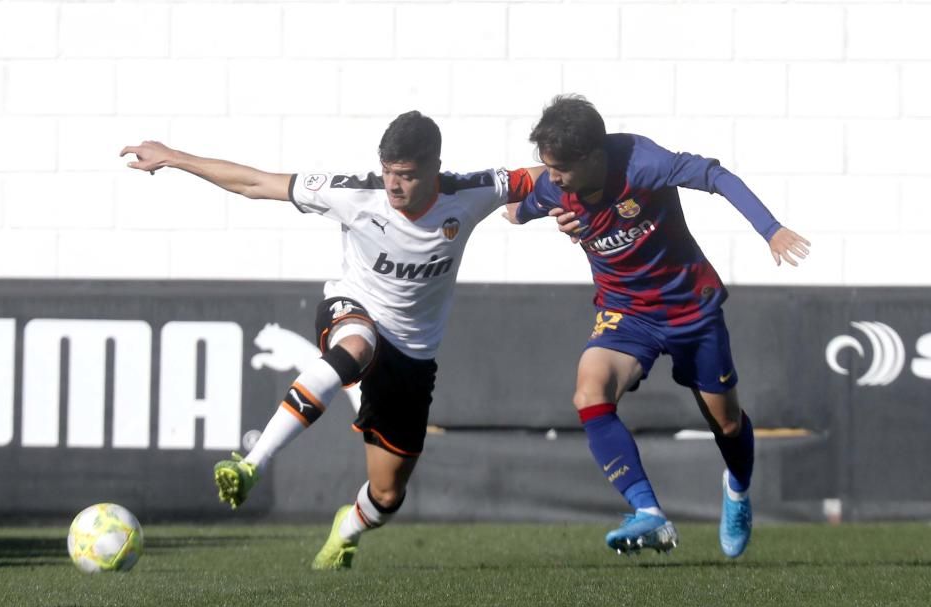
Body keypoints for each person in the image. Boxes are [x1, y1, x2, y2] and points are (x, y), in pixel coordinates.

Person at [121, 111, 540, 570]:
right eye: (387, 172)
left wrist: (580, 198)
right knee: (358, 344)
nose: (394, 185)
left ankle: (348, 530)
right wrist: (175, 158)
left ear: (434, 168)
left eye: (406, 175)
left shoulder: (471, 192)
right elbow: (255, 183)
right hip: (352, 311)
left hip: (413, 357)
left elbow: (552, 175)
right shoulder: (356, 194)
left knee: (386, 495)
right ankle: (251, 464)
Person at [505, 94, 810, 558]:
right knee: (589, 391)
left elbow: (714, 175)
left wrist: (771, 229)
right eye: (546, 167)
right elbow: (517, 208)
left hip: (691, 305)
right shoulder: (555, 187)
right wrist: (533, 211)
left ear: (591, 156)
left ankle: (737, 489)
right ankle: (649, 513)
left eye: (561, 168)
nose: (553, 178)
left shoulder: (644, 164)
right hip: (626, 311)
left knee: (726, 423)